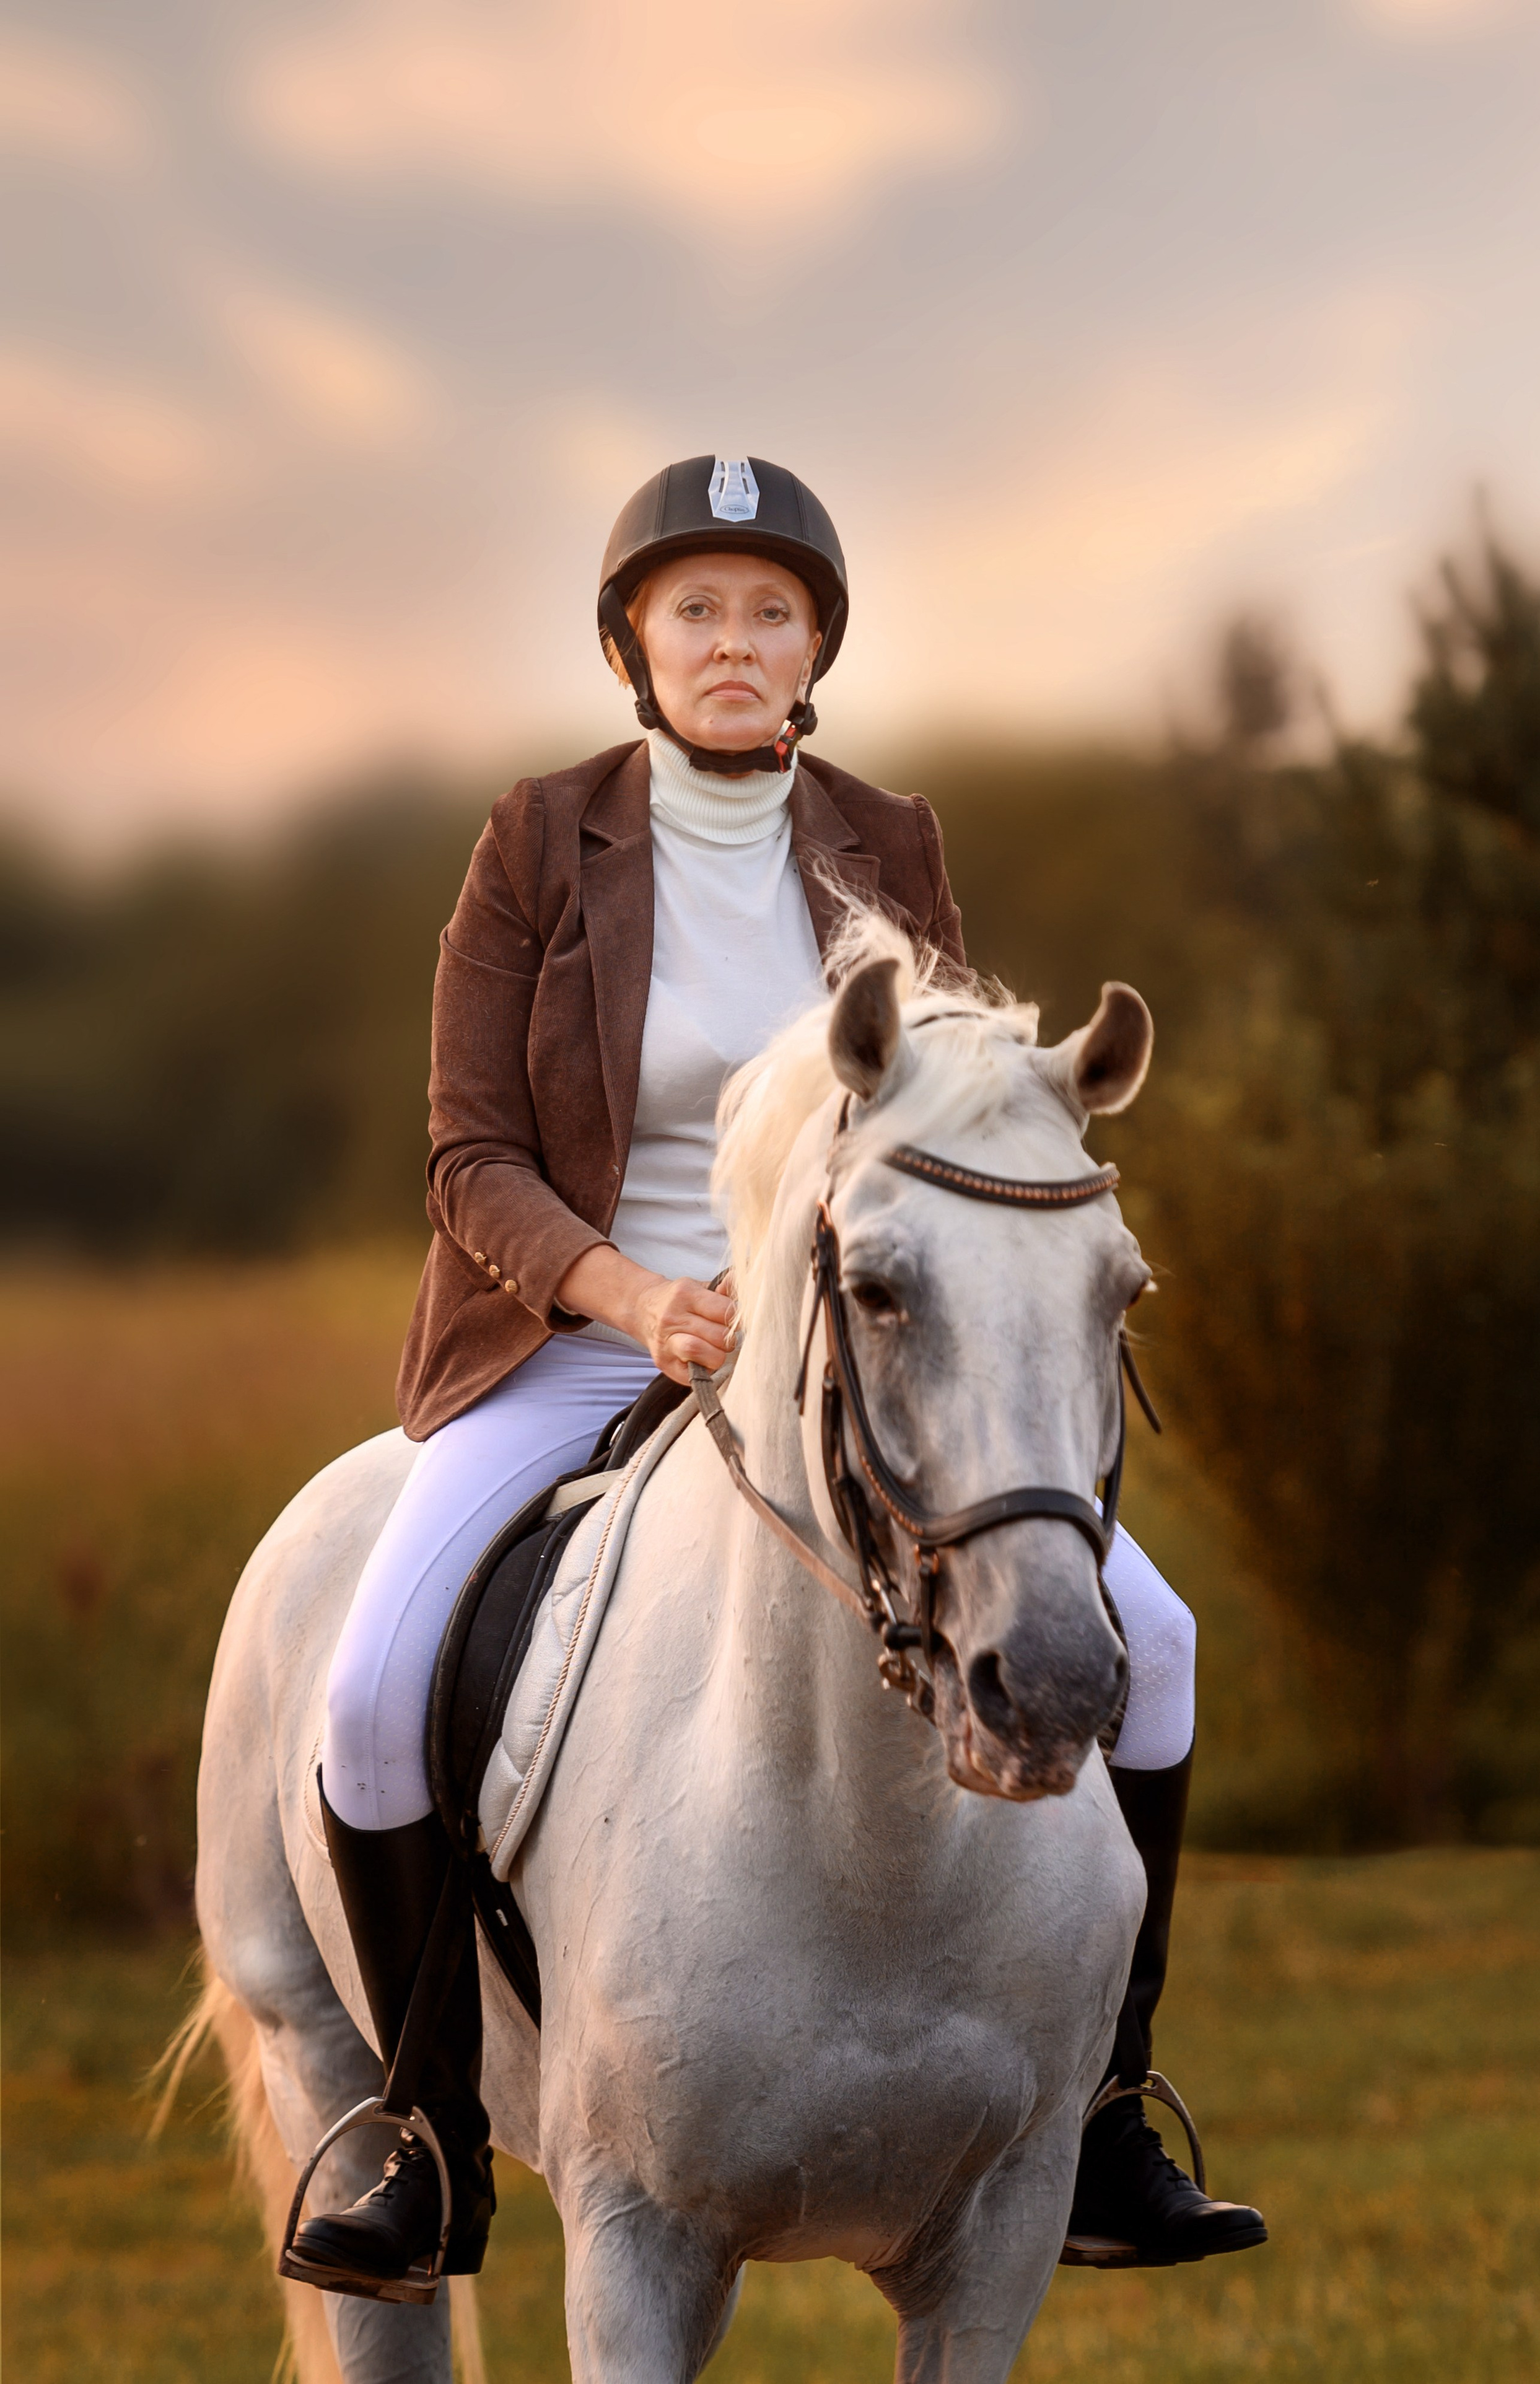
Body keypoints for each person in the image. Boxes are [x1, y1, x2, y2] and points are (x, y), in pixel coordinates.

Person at [287, 455, 1264, 2299]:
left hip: (846, 1362)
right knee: (366, 1687)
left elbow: (944, 1105)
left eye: (769, 609)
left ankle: (1107, 2111)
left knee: (1165, 1649)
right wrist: (626, 1295)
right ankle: (424, 2135)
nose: (732, 641)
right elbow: (467, 1155)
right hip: (578, 1347)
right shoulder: (535, 838)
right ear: (631, 644)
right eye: (694, 609)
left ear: (816, 644)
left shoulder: (890, 836)